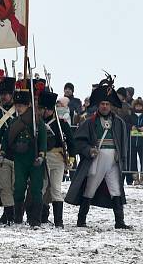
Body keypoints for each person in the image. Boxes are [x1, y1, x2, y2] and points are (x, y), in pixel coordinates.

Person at [65, 75, 132, 229]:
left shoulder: (119, 123)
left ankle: (119, 222)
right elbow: (79, 141)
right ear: (98, 105)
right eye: (102, 103)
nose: (104, 106)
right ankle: (81, 220)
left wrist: (120, 155)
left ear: (111, 105)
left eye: (107, 103)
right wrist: (89, 150)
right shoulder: (89, 122)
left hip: (113, 160)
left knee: (116, 189)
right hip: (97, 159)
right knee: (89, 189)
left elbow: (123, 143)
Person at [0, 82, 47, 228]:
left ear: (28, 106)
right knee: (19, 188)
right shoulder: (14, 121)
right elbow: (7, 139)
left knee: (36, 190)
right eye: (17, 105)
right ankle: (18, 218)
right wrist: (2, 152)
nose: (18, 108)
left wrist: (41, 155)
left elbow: (43, 139)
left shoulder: (37, 122)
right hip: (19, 159)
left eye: (21, 106)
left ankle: (35, 220)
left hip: (34, 160)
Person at [39, 90, 75, 228]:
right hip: (43, 157)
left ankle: (59, 222)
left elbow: (71, 142)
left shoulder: (61, 123)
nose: (44, 112)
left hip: (57, 158)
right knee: (42, 188)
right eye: (43, 109)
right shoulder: (38, 123)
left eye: (46, 109)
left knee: (56, 189)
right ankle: (40, 217)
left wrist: (71, 157)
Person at [0, 70, 17, 225]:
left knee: (16, 187)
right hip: (3, 154)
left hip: (18, 154)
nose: (4, 96)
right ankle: (8, 215)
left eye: (7, 93)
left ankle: (15, 214)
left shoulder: (19, 113)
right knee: (4, 187)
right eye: (1, 93)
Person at [127, 98, 143, 185]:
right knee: (133, 160)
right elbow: (126, 124)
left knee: (142, 160)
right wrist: (131, 127)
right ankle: (135, 178)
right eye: (137, 105)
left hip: (142, 142)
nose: (138, 107)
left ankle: (142, 178)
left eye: (140, 105)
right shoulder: (131, 116)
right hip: (132, 142)